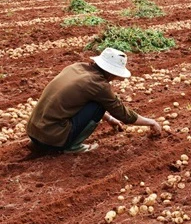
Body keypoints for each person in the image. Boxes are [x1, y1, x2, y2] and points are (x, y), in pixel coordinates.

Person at [26, 47, 162, 154]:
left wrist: (109, 119)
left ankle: (44, 142)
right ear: (112, 72)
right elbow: (123, 114)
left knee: (96, 102)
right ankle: (72, 146)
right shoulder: (99, 85)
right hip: (52, 137)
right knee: (99, 105)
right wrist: (151, 122)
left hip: (34, 131)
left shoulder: (76, 67)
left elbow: (81, 100)